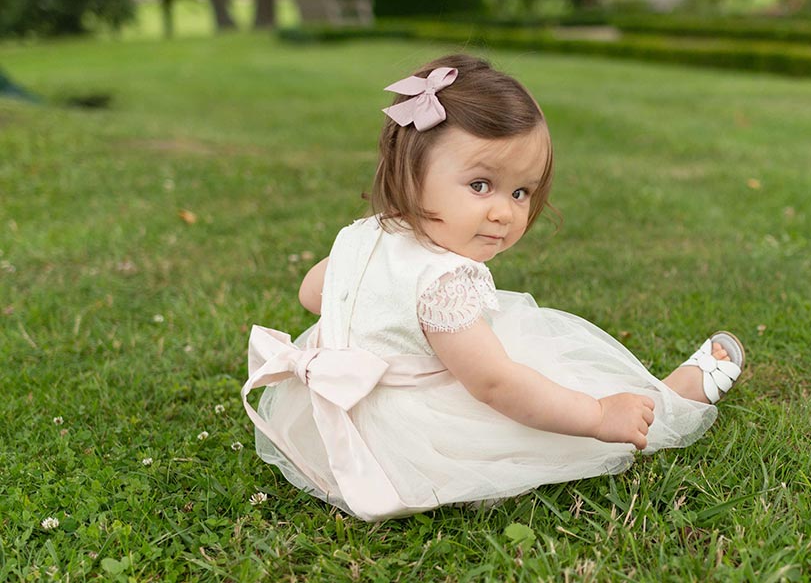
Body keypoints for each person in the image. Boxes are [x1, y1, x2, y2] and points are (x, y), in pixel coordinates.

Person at [242, 54, 745, 522]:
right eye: (481, 185)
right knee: (564, 399)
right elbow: (495, 385)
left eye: (521, 192)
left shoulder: (366, 233)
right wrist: (594, 416)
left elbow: (313, 295)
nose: (505, 211)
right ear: (411, 172)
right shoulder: (443, 283)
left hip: (333, 412)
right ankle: (669, 403)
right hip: (416, 434)